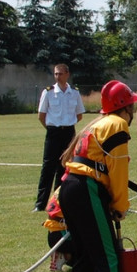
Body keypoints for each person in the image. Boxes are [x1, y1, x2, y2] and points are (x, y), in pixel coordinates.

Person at [58, 80, 137, 272]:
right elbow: (117, 169)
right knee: (107, 258)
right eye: (132, 105)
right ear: (124, 107)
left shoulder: (93, 124)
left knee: (85, 257)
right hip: (87, 189)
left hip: (70, 187)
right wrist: (119, 205)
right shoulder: (117, 125)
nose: (134, 110)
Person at [34, 64, 85, 211]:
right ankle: (40, 204)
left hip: (68, 133)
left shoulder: (74, 93)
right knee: (48, 168)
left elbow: (79, 114)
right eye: (56, 74)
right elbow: (41, 115)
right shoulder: (48, 92)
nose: (57, 77)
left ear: (67, 74)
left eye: (60, 74)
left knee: (65, 167)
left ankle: (59, 202)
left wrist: (66, 125)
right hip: (53, 132)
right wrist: (52, 127)